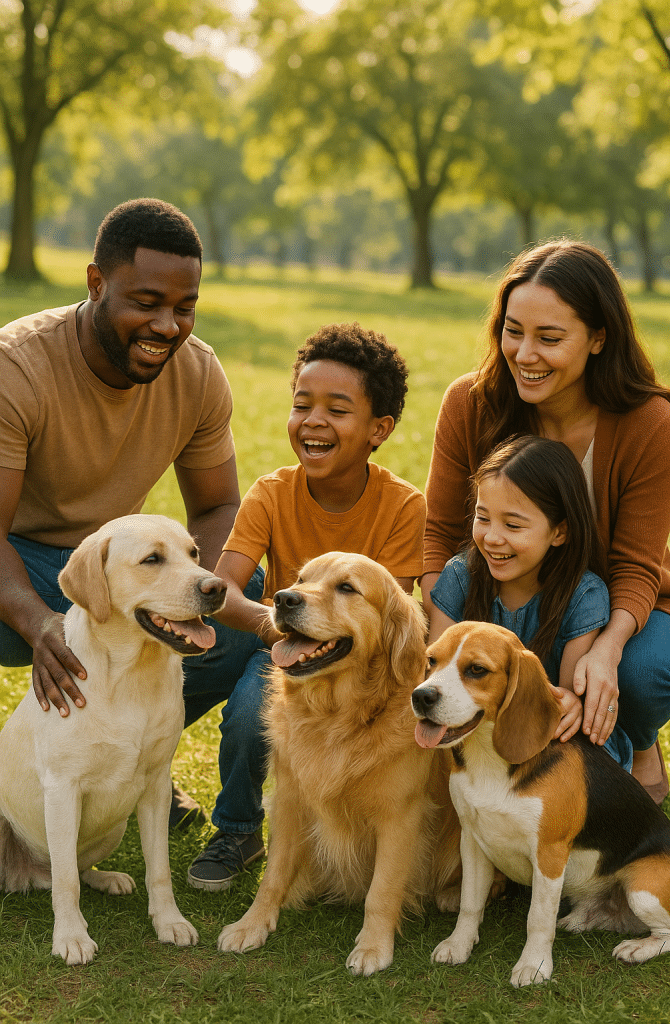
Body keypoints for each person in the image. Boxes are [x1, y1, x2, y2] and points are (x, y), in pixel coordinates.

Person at [0, 197, 264, 830]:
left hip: (120, 566)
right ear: (97, 284)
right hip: (20, 559)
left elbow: (220, 503)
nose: (168, 326)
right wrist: (42, 624)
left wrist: (179, 585)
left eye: (184, 307)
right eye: (146, 303)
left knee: (237, 598)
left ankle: (134, 765)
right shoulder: (17, 366)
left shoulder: (198, 375)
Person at [422, 239, 670, 804]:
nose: (525, 353)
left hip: (614, 598)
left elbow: (637, 567)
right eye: (513, 331)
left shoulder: (651, 423)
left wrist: (606, 652)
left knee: (641, 676)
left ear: (598, 338)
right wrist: (444, 647)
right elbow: (439, 534)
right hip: (502, 589)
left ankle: (636, 738)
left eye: (549, 338)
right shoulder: (470, 402)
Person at [186, 321, 426, 890]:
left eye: (337, 409)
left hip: (340, 660)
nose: (313, 421)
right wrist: (278, 629)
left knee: (252, 713)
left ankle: (259, 828)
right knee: (199, 689)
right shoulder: (271, 492)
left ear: (379, 429)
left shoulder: (402, 507)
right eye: (302, 404)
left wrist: (313, 636)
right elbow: (223, 592)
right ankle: (185, 806)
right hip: (276, 629)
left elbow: (390, 618)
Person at [429, 434, 632, 764]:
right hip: (465, 726)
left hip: (542, 731)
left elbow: (564, 696)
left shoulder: (583, 595)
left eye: (512, 524)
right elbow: (435, 665)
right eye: (483, 518)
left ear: (559, 532)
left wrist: (569, 704)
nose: (492, 538)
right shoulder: (460, 576)